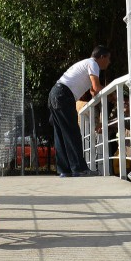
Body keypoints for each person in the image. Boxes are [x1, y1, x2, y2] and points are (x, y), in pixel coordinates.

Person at [49, 46, 111, 177]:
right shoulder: (93, 63)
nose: (109, 62)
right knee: (72, 132)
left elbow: (93, 91)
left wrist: (96, 92)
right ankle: (79, 169)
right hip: (63, 95)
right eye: (108, 59)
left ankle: (64, 170)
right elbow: (96, 87)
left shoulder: (86, 64)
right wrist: (113, 95)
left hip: (55, 93)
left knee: (60, 134)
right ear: (102, 57)